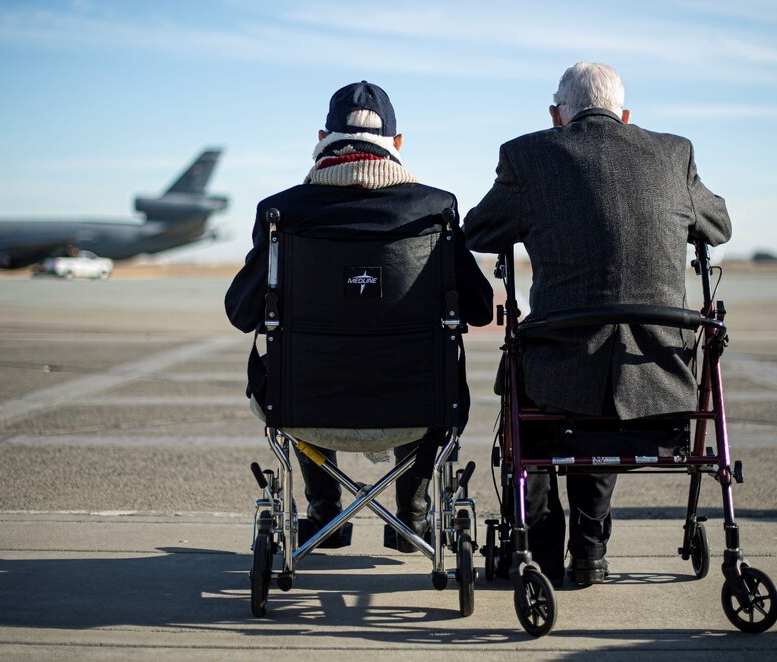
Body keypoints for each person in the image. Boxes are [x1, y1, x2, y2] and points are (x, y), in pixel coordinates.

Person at [463, 62, 732, 586]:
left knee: (536, 401)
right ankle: (589, 548)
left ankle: (540, 549)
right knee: (605, 401)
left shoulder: (527, 155)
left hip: (559, 361)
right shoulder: (674, 152)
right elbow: (718, 224)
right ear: (625, 115)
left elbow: (478, 230)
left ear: (556, 115)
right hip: (657, 370)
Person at [225, 81, 493, 550]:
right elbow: (478, 307)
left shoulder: (279, 213)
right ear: (398, 144)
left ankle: (324, 513)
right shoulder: (437, 211)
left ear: (323, 136)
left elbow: (241, 312)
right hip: (418, 406)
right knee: (430, 373)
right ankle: (413, 517)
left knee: (301, 367)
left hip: (305, 405)